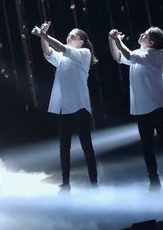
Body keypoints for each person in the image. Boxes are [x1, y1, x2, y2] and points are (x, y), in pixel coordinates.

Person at [31, 21, 98, 192]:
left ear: (81, 41)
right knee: (64, 146)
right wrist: (43, 37)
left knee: (86, 145)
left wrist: (43, 34)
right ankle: (65, 183)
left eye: (73, 36)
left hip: (80, 106)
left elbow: (62, 48)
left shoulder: (83, 53)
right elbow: (48, 52)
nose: (69, 37)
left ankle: (94, 183)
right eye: (69, 35)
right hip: (63, 107)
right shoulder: (62, 57)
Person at [108, 27, 163, 191]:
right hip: (142, 109)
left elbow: (127, 55)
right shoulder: (139, 54)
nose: (141, 34)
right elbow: (118, 57)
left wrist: (118, 41)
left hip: (158, 106)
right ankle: (154, 181)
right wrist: (112, 41)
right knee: (147, 147)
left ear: (152, 42)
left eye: (145, 35)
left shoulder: (156, 55)